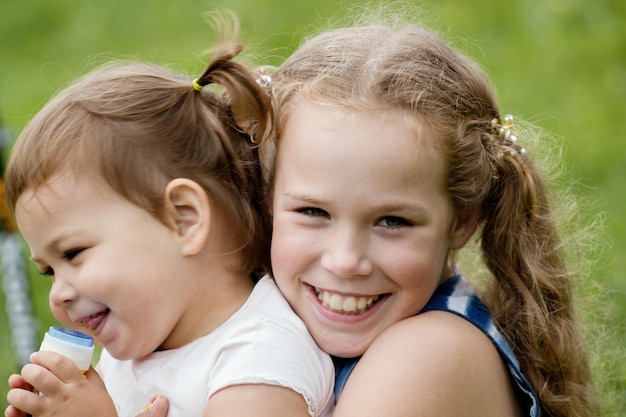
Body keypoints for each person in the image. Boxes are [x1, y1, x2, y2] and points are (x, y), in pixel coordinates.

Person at [258, 14, 598, 417]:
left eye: (392, 221)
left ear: (463, 220)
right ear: (265, 196)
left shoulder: (427, 356)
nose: (345, 261)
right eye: (313, 211)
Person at [3, 14, 334, 417]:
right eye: (48, 271)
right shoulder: (133, 351)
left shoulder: (259, 359)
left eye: (73, 254)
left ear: (184, 219)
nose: (60, 293)